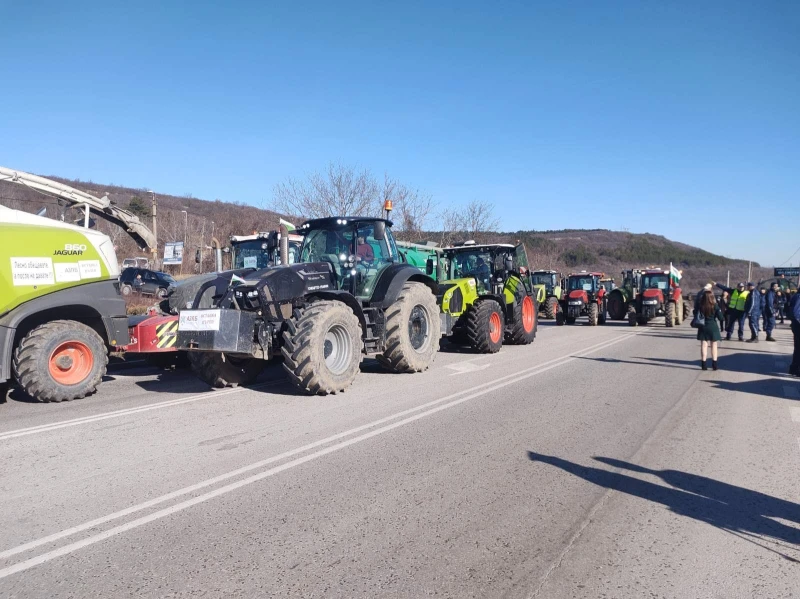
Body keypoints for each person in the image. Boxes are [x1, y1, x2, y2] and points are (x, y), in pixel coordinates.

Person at [696, 290, 723, 371]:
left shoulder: (700, 306)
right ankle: (714, 364)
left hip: (703, 327)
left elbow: (695, 314)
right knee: (714, 346)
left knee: (704, 346)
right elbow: (721, 318)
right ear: (712, 297)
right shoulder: (715, 306)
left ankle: (703, 365)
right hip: (713, 327)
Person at [789, 291, 800, 377]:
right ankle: (796, 369)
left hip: (796, 326)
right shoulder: (798, 297)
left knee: (798, 348)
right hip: (798, 326)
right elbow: (795, 313)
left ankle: (794, 368)